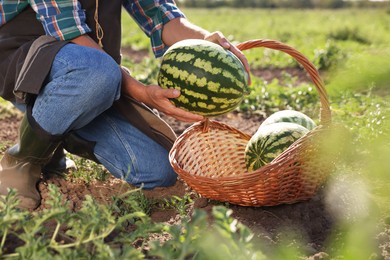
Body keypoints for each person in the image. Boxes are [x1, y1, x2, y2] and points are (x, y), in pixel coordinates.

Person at [0, 0, 250, 210]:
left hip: (94, 77)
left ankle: (54, 132)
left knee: (159, 170)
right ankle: (22, 162)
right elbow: (68, 29)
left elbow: (160, 14)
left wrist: (206, 39)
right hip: (27, 59)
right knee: (97, 72)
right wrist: (142, 93)